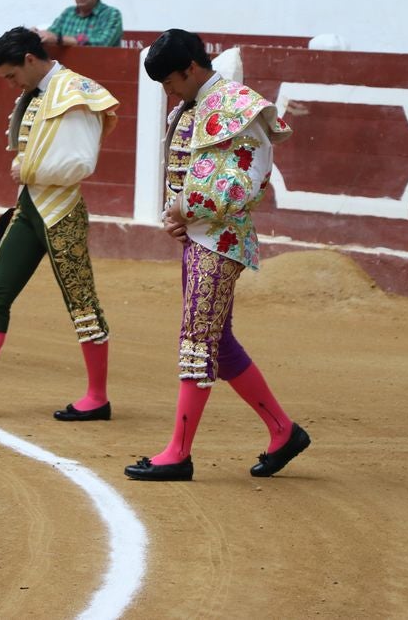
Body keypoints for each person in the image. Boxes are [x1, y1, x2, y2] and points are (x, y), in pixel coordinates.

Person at [124, 28, 307, 482]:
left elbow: (248, 181)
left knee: (196, 341)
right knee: (217, 343)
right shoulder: (191, 107)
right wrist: (178, 215)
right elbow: (188, 177)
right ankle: (283, 431)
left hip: (222, 242)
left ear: (190, 68)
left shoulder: (241, 108)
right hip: (198, 238)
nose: (169, 92)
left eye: (171, 82)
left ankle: (178, 452)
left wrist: (187, 209)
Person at [0, 27, 118, 420]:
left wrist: (28, 168)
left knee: (82, 302)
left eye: (11, 75)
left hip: (62, 211)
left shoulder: (75, 92)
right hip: (30, 207)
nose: (10, 84)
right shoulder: (38, 93)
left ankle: (97, 397)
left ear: (30, 60)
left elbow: (82, 162)